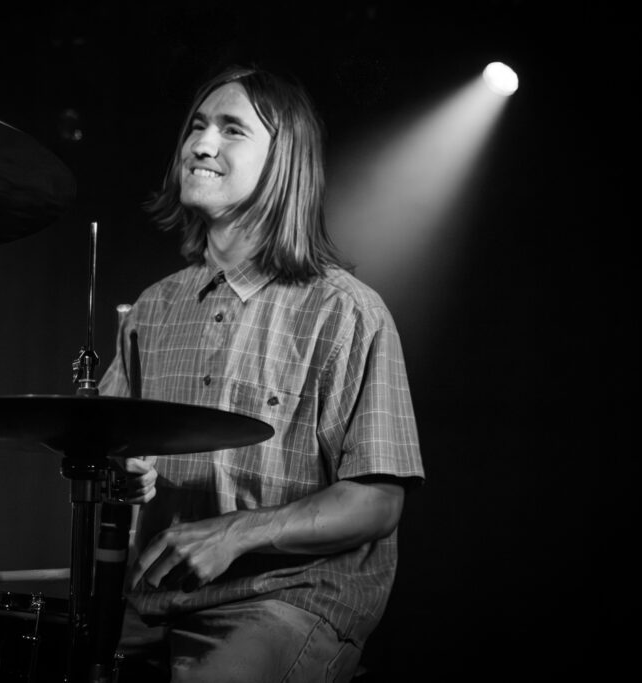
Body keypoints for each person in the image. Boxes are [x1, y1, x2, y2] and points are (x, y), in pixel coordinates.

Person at [98, 64, 424, 682]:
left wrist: (235, 534)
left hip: (285, 600)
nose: (200, 144)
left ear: (284, 163)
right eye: (197, 126)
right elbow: (107, 452)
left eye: (231, 130)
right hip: (154, 600)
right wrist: (120, 466)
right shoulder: (153, 307)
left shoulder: (346, 312)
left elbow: (377, 503)